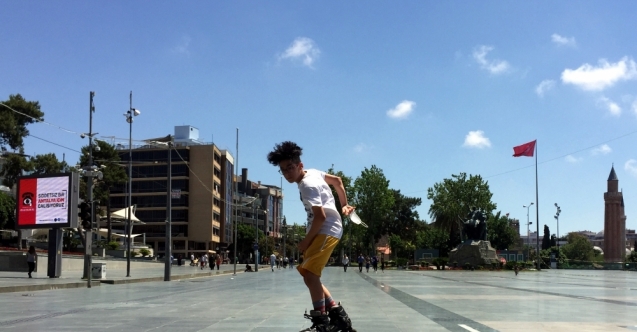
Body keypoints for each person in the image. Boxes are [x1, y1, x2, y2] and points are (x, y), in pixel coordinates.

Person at [268, 141, 356, 332]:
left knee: (311, 274)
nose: (287, 173)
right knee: (309, 276)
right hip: (325, 229)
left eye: (290, 168)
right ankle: (337, 315)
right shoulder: (314, 173)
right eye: (283, 170)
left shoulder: (307, 185)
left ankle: (322, 323)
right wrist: (345, 204)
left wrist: (306, 241)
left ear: (300, 165)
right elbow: (338, 181)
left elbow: (320, 216)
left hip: (327, 229)